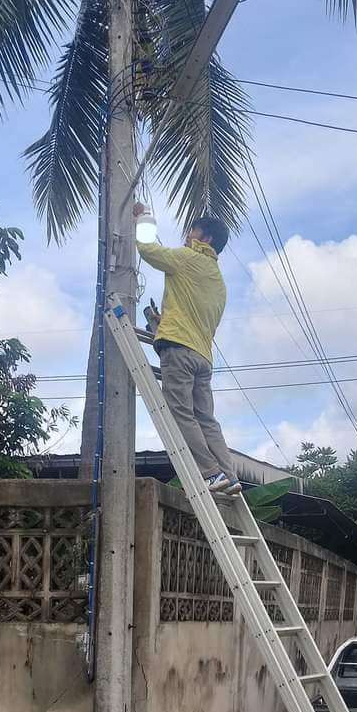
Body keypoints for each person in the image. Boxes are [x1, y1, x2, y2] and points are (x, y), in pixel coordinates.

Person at [133, 201, 242, 495]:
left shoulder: (187, 258)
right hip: (203, 357)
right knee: (206, 419)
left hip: (178, 350)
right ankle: (229, 476)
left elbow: (148, 250)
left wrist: (143, 219)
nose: (187, 234)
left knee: (180, 414)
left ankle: (210, 473)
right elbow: (193, 312)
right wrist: (163, 320)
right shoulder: (218, 281)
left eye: (192, 229)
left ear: (204, 238)